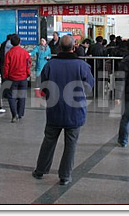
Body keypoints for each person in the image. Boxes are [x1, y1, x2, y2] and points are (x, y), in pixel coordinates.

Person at [32, 35, 95, 185]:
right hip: (75, 111)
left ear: (59, 48)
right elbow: (89, 87)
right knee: (71, 143)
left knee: (49, 140)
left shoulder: (50, 65)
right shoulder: (82, 66)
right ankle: (65, 176)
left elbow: (42, 85)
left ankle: (40, 170)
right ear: (74, 48)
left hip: (54, 109)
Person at [2, 34, 31, 123]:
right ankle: (20, 113)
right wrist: (28, 73)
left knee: (12, 97)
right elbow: (28, 64)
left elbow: (6, 66)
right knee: (21, 96)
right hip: (23, 78)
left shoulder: (9, 53)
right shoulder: (25, 52)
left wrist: (6, 76)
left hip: (12, 78)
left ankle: (14, 114)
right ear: (20, 42)